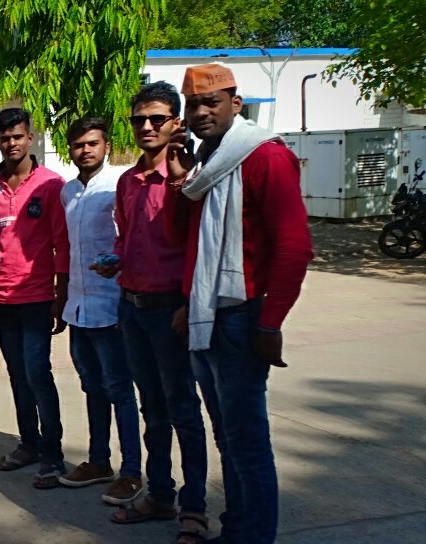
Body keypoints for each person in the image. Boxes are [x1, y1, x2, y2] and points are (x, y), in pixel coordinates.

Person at [164, 63, 313, 544]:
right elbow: (182, 239)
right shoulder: (205, 167)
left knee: (248, 445)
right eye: (193, 105)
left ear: (236, 104)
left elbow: (294, 247)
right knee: (227, 439)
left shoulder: (264, 156)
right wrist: (178, 179)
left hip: (242, 318)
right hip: (206, 317)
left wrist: (270, 323)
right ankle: (238, 530)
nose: (201, 112)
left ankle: (255, 535)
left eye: (211, 102)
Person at [95, 82, 209, 544]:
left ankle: (194, 507)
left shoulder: (191, 177)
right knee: (152, 409)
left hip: (171, 311)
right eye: (139, 119)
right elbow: (126, 237)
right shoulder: (128, 181)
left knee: (183, 409)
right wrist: (116, 260)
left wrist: (187, 303)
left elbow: (198, 241)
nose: (146, 126)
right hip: (133, 308)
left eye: (157, 118)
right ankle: (160, 493)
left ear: (175, 123)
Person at [56, 117, 144, 505]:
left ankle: (132, 471)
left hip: (111, 307)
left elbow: (132, 241)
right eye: (78, 145)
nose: (86, 150)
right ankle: (98, 460)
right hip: (79, 307)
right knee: (91, 387)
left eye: (92, 143)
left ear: (106, 145)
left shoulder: (118, 186)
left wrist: (118, 266)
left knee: (119, 389)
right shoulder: (69, 192)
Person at [0, 108, 70, 489]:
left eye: (17, 136)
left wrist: (60, 297)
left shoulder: (51, 185)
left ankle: (53, 455)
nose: (11, 143)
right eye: (4, 138)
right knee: (17, 375)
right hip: (2, 300)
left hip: (37, 298)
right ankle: (29, 444)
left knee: (38, 373)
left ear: (30, 138)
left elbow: (62, 244)